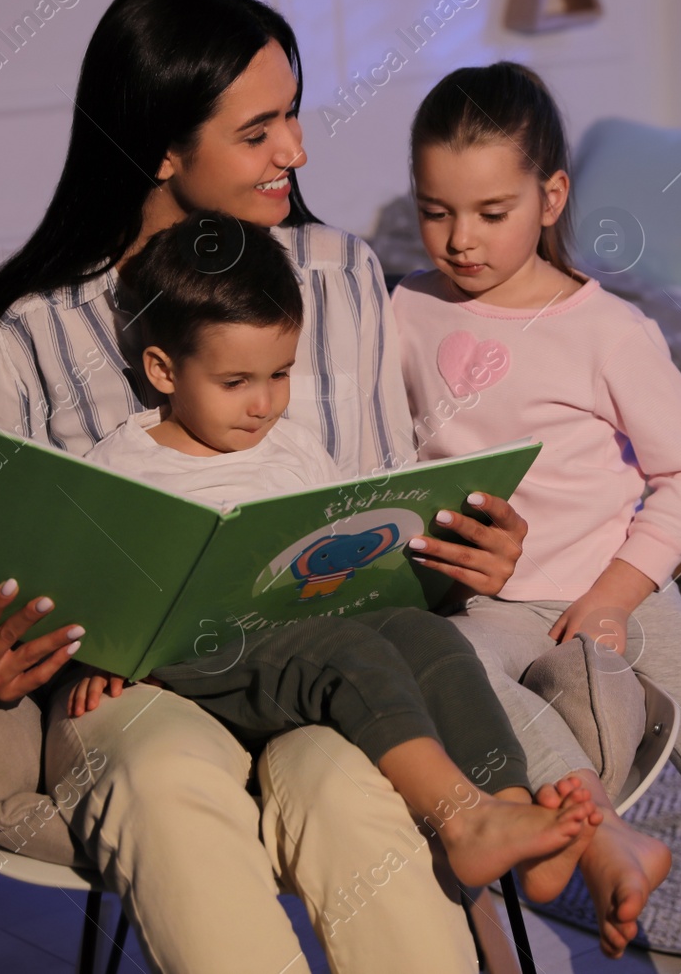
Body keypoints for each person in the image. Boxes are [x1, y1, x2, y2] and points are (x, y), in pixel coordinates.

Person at [0, 0, 531, 973]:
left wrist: (458, 552)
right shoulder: (24, 336)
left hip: (325, 665)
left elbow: (374, 510)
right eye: (259, 130)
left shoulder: (338, 275)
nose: (298, 152)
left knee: (341, 785)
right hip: (128, 691)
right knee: (165, 779)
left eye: (294, 114)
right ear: (165, 146)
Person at [390, 62, 681, 970]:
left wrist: (618, 593)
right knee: (435, 663)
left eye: (491, 213)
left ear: (551, 196)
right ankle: (594, 827)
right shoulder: (403, 310)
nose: (460, 240)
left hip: (621, 598)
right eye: (435, 209)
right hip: (485, 610)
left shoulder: (610, 330)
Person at [68, 209, 598, 892]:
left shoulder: (292, 446)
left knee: (420, 633)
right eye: (236, 382)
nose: (263, 404)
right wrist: (103, 654)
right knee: (352, 654)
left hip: (305, 631)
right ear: (163, 370)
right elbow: (94, 578)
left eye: (280, 373)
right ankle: (461, 820)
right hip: (202, 659)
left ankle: (515, 812)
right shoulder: (127, 464)